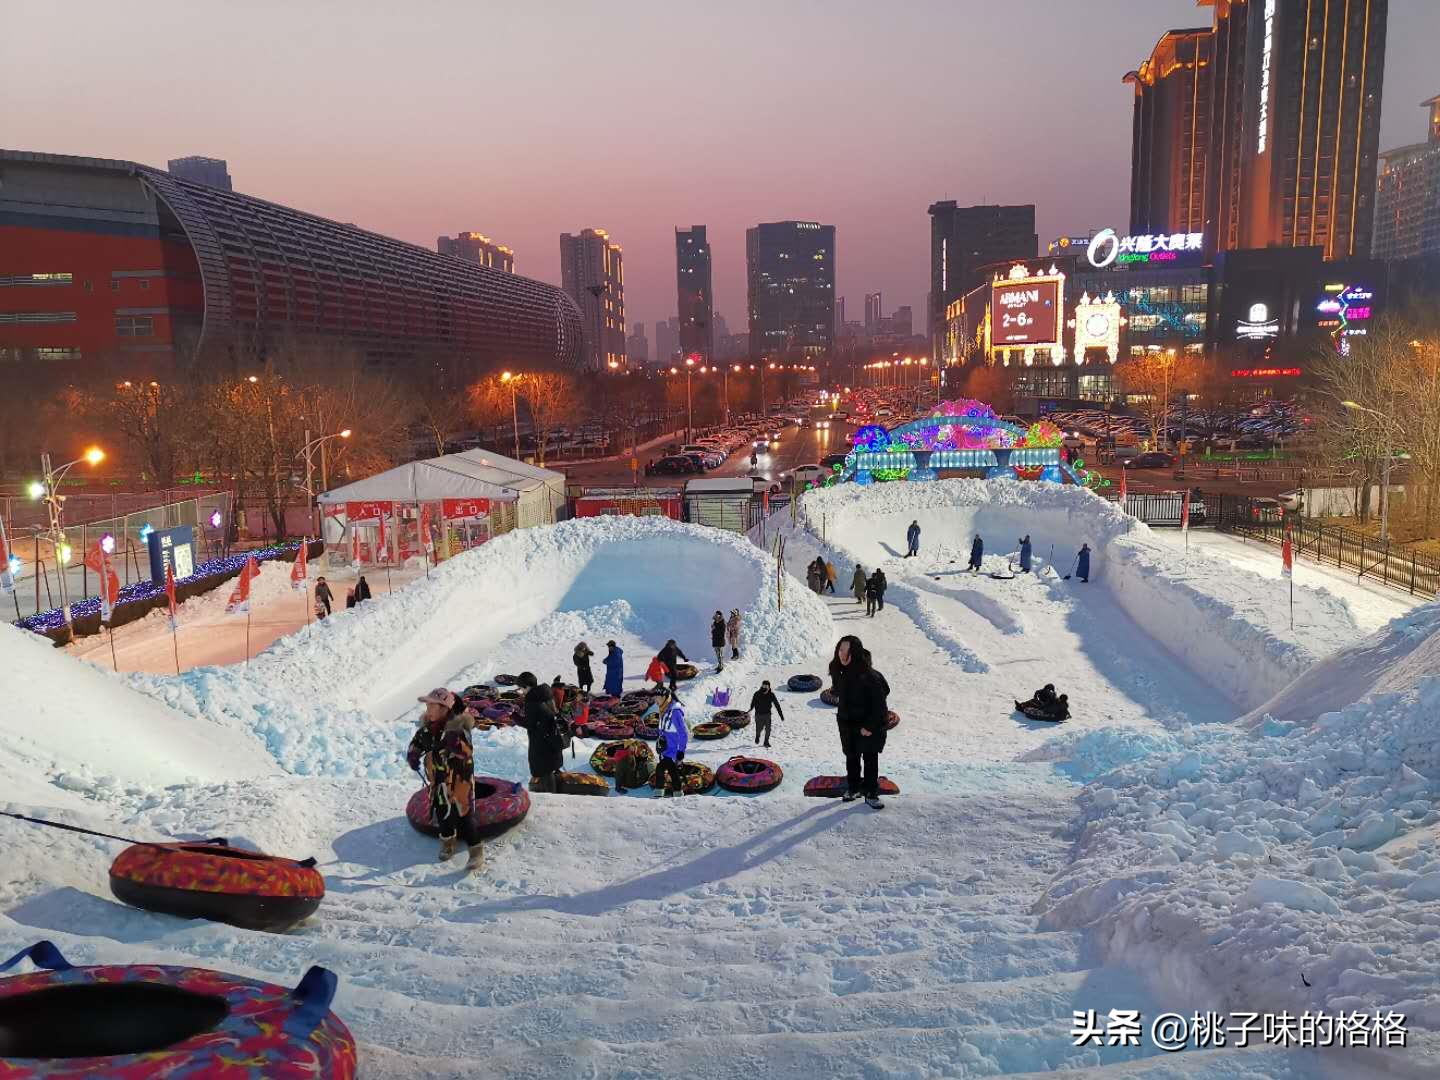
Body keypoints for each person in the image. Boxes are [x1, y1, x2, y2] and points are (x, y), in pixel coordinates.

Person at [406, 688, 483, 868]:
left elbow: (467, 752)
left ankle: (476, 849)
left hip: (458, 780)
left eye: (431, 705)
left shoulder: (457, 728)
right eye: (427, 705)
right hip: (438, 779)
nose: (428, 709)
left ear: (444, 708)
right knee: (442, 811)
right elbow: (417, 743)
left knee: (464, 815)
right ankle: (448, 841)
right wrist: (413, 754)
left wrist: (455, 744)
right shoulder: (427, 729)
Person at [829, 636, 891, 809]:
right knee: (851, 756)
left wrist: (870, 727)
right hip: (848, 724)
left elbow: (880, 704)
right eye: (840, 649)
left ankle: (871, 793)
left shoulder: (869, 676)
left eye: (847, 650)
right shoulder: (840, 672)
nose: (842, 653)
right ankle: (854, 788)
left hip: (867, 726)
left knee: (870, 758)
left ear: (855, 652)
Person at [516, 671, 565, 794]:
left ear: (527, 686)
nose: (521, 692)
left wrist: (514, 716)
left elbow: (529, 724)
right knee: (553, 768)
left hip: (541, 742)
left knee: (544, 772)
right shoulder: (545, 694)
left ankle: (551, 800)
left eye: (521, 689)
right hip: (553, 739)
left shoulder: (532, 701)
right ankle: (560, 794)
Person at [652, 691, 689, 797]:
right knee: (672, 771)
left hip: (673, 749)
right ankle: (677, 792)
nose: (655, 701)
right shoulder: (664, 710)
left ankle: (660, 792)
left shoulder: (675, 712)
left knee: (661, 768)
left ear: (664, 697)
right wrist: (660, 743)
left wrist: (680, 752)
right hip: (665, 749)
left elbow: (683, 734)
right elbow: (662, 730)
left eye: (657, 698)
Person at [747, 679, 784, 748]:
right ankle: (757, 736)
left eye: (766, 686)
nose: (764, 687)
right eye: (763, 686)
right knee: (759, 728)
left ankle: (766, 742)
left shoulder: (771, 695)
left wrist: (781, 715)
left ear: (769, 687)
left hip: (767, 715)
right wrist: (750, 709)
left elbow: (777, 705)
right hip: (758, 715)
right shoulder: (757, 693)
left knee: (768, 729)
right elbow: (753, 702)